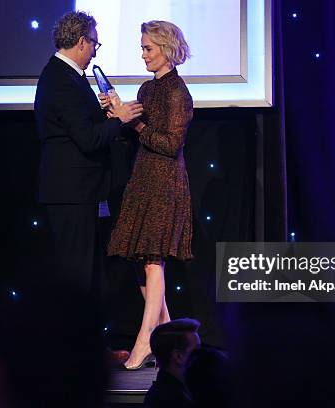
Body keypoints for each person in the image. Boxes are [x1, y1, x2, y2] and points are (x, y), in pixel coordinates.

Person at [101, 20, 193, 370]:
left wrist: (137, 124)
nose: (143, 55)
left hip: (165, 183)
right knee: (141, 259)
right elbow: (139, 138)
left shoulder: (177, 92)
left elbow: (170, 145)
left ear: (166, 49)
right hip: (143, 180)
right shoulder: (146, 89)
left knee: (153, 261)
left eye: (147, 49)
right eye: (142, 48)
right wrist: (119, 118)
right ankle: (169, 339)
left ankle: (143, 344)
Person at [33, 11, 142, 298]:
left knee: (86, 274)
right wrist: (119, 119)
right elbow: (88, 139)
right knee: (76, 278)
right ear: (82, 42)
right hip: (71, 193)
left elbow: (83, 126)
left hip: (79, 193)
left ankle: (88, 342)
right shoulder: (62, 80)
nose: (95, 51)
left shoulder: (68, 76)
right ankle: (74, 342)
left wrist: (104, 112)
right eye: (95, 44)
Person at [143, 319, 201, 408]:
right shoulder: (173, 400)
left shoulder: (175, 390)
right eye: (197, 350)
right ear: (178, 356)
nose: (203, 354)